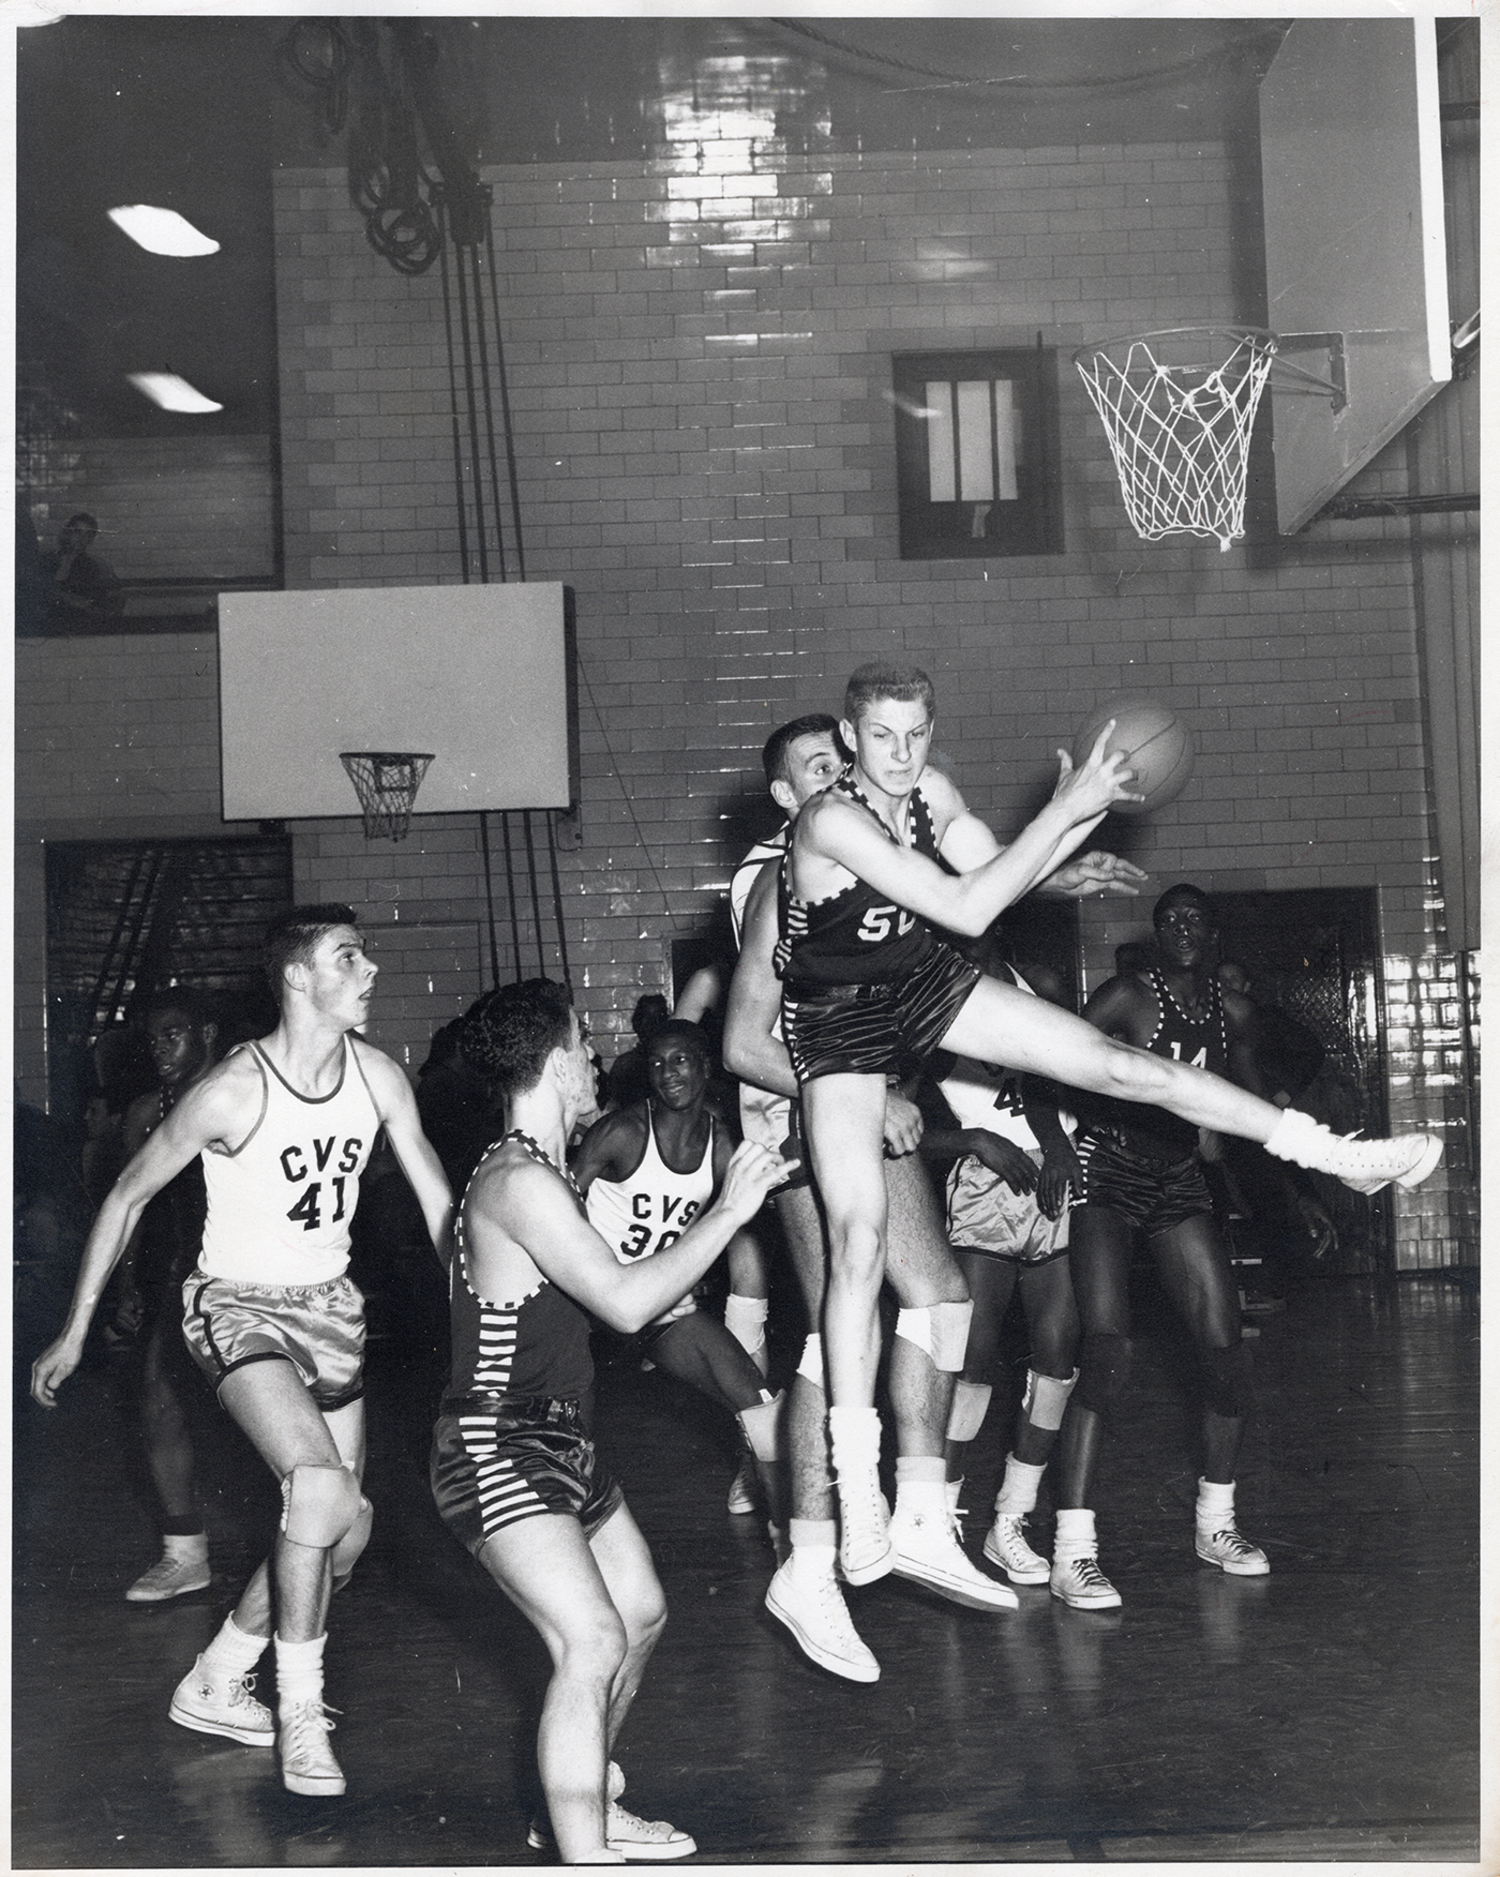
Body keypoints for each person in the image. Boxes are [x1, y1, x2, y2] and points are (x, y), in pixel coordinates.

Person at [766, 661, 1443, 1585]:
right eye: (881, 735)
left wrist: (1076, 828)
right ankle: (858, 1497)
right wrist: (1067, 802)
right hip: (836, 1017)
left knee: (1125, 1066)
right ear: (850, 739)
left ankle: (1336, 1153)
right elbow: (969, 905)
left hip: (920, 983)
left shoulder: (930, 790)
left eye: (917, 733)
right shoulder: (829, 818)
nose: (901, 753)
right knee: (857, 1241)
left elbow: (986, 870)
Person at [31, 905, 454, 1798]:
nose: (371, 969)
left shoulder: (379, 1076)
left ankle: (219, 1674)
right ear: (299, 977)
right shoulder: (232, 1088)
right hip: (238, 1306)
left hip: (332, 1308)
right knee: (321, 1486)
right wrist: (73, 1329)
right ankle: (301, 1709)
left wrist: (491, 1297)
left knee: (344, 1529)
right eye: (350, 956)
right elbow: (126, 1197)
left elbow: (437, 1199)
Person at [430, 979, 790, 1863]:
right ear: (554, 1063)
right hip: (497, 1441)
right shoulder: (517, 1179)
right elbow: (629, 1303)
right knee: (589, 1637)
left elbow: (607, 1291)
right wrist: (731, 1210)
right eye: (582, 1045)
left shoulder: (550, 1171)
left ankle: (580, 1798)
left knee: (640, 1611)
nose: (596, 1058)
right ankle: (582, 1852)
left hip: (560, 1436)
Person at [725, 714, 1018, 1686]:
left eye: (838, 764)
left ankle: (879, 1528)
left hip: (841, 1106)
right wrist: (882, 1086)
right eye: (816, 768)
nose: (837, 778)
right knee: (867, 1321)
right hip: (799, 1118)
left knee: (908, 1309)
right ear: (783, 796)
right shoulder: (778, 873)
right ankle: (838, 1542)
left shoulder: (861, 853)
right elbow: (744, 1038)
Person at [915, 935, 1093, 1594]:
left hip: (1056, 1169)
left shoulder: (1038, 977)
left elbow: (1058, 1071)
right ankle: (941, 1517)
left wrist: (1061, 1145)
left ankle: (1011, 1518)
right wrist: (971, 1138)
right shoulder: (928, 1010)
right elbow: (883, 1119)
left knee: (1057, 1350)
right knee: (974, 1352)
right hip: (989, 1178)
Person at [571, 1019, 787, 1535]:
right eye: (657, 1063)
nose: (669, 1073)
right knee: (568, 1442)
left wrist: (689, 1284)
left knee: (760, 1407)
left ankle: (795, 1550)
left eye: (681, 1060)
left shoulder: (718, 1142)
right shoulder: (622, 1132)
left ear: (705, 1066)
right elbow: (554, 1211)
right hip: (582, 1302)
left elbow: (730, 1223)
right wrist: (607, 1284)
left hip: (656, 1306)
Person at [114, 989, 222, 1602]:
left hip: (251, 1272)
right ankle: (184, 1554)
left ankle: (319, 1540)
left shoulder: (238, 1095)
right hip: (179, 1272)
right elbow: (132, 1207)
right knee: (157, 1400)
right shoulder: (144, 1114)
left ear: (205, 1033)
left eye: (172, 1034)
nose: (160, 1048)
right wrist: (128, 1282)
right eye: (152, 1038)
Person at [39, 511, 124, 629]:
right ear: (68, 533)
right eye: (77, 532)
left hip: (80, 630)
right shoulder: (46, 561)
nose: (81, 539)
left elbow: (107, 605)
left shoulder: (95, 567)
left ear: (91, 539)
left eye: (87, 535)